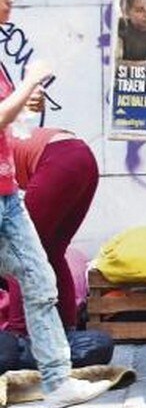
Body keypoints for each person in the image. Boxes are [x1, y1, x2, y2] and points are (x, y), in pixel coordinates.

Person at [0, 0, 112, 408]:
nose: (11, 0)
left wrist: (28, 97)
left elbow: (14, 120)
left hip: (7, 196)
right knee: (34, 275)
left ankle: (57, 381)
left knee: (40, 278)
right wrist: (28, 83)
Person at [11, 126, 99, 328]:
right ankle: (68, 330)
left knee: (19, 251)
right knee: (52, 251)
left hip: (58, 159)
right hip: (81, 156)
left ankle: (19, 336)